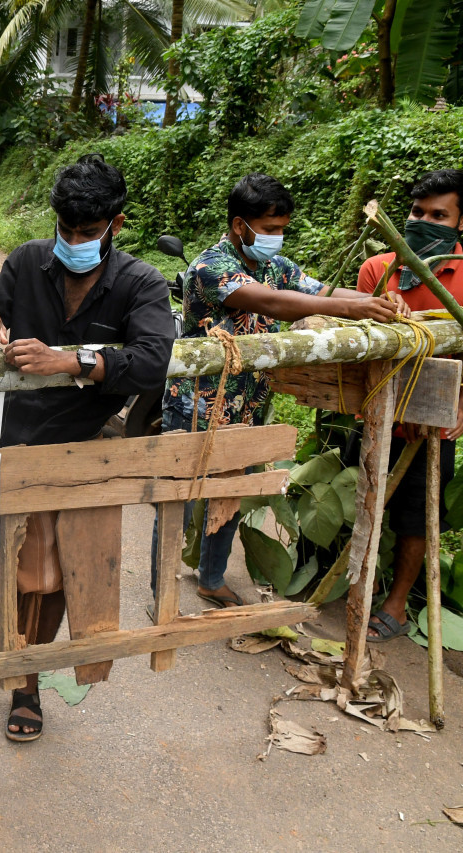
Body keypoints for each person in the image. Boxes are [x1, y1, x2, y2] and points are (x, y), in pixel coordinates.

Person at [0, 153, 176, 742]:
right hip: (0, 439)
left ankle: (25, 685)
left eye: (87, 232)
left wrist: (72, 359)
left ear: (115, 225)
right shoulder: (28, 261)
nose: (74, 242)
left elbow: (153, 361)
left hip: (74, 450)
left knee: (45, 576)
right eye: (66, 230)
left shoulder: (140, 283)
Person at [159, 173, 404, 609]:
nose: (277, 237)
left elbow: (320, 291)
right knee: (176, 497)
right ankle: (161, 580)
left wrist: (380, 302)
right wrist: (350, 306)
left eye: (281, 229)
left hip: (250, 405)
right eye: (270, 229)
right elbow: (271, 302)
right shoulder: (209, 266)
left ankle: (211, 579)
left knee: (231, 496)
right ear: (240, 225)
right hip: (195, 405)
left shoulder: (280, 266)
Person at [356, 169, 463, 642]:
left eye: (439, 215)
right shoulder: (377, 270)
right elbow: (354, 345)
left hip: (433, 420)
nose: (424, 221)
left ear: (461, 223)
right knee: (363, 497)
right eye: (418, 212)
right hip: (373, 411)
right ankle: (354, 581)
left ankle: (397, 604)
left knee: (419, 514)